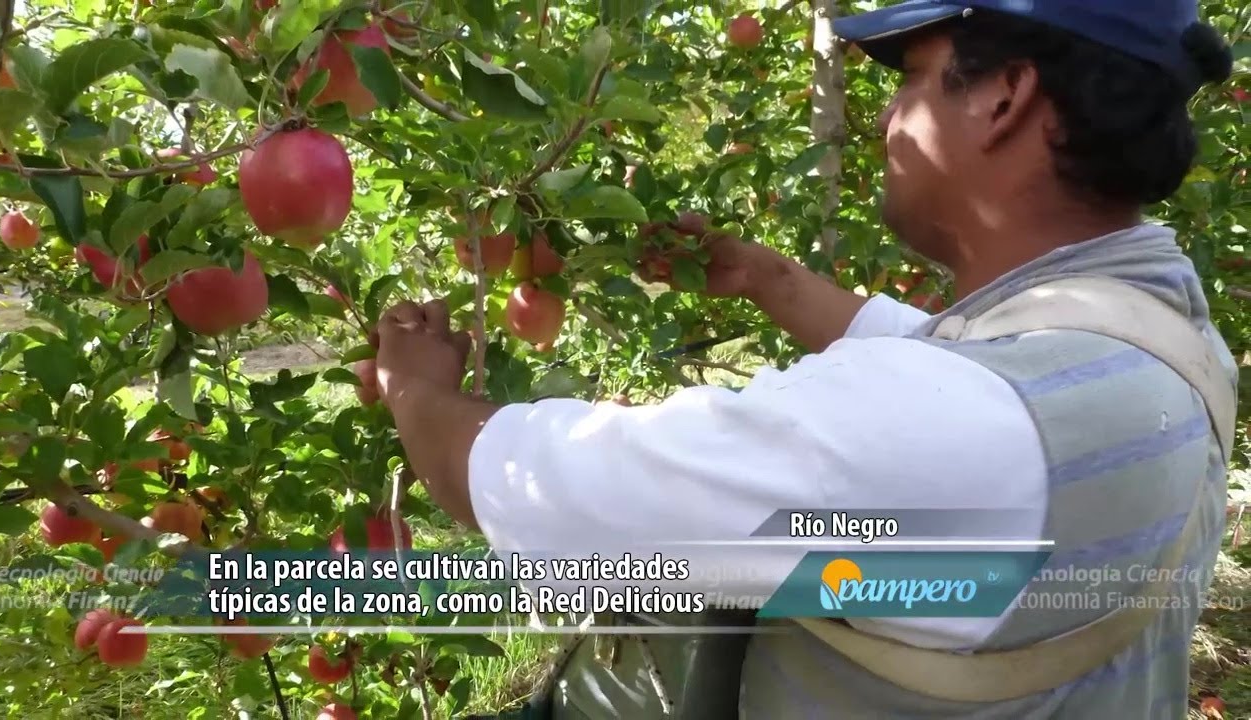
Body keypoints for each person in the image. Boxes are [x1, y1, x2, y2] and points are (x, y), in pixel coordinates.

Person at [371, 1, 1240, 716]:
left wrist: (417, 390)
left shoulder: (937, 436)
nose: (889, 119)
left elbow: (539, 492)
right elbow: (958, 370)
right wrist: (769, 279)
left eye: (910, 79)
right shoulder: (1162, 345)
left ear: (1004, 97)